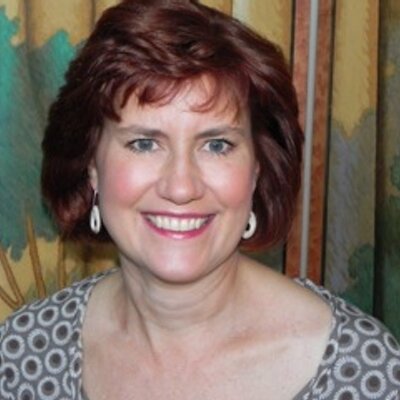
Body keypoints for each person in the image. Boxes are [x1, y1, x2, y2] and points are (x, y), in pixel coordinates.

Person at [1, 0, 399, 398]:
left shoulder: (365, 371)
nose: (181, 186)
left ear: (258, 168)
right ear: (91, 166)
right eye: (144, 143)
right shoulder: (21, 356)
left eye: (217, 145)